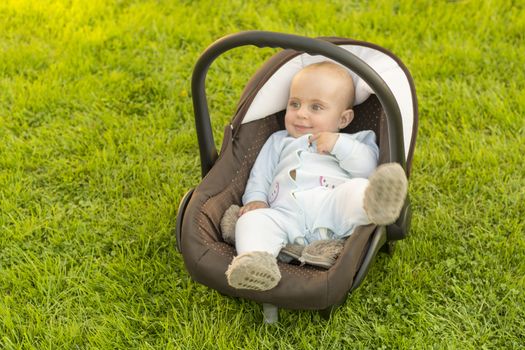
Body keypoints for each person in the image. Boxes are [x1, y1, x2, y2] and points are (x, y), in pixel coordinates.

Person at [225, 61, 407, 291]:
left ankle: (378, 204)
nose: (301, 114)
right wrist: (256, 199)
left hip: (331, 208)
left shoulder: (356, 141)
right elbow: (260, 174)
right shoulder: (279, 141)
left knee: (358, 189)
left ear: (343, 119)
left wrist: (339, 145)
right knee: (251, 221)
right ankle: (256, 263)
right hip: (284, 216)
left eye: (316, 107)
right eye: (295, 104)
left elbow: (368, 167)